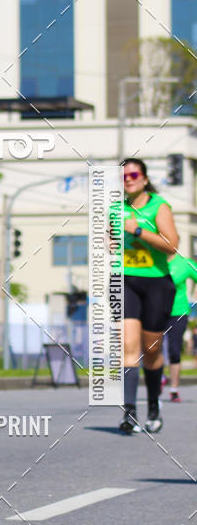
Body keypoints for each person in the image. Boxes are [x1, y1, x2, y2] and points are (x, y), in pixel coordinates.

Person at [118, 158, 178, 434]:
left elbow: (171, 247)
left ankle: (154, 405)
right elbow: (111, 239)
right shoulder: (114, 209)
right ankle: (129, 412)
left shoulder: (158, 206)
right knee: (128, 344)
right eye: (124, 176)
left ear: (144, 178)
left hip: (156, 283)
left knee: (150, 349)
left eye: (133, 174)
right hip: (124, 280)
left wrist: (139, 231)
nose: (128, 179)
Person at [163, 252, 197, 401]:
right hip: (157, 310)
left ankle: (174, 389)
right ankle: (159, 376)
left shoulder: (185, 263)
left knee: (174, 350)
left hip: (179, 312)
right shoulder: (155, 260)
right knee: (152, 347)